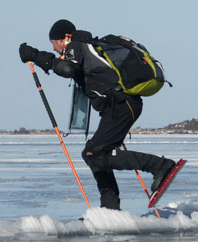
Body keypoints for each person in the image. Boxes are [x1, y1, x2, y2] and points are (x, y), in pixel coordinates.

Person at [19, 19, 177, 210]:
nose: (55, 49)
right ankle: (110, 209)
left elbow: (67, 69)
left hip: (121, 106)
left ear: (64, 38)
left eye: (54, 43)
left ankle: (160, 166)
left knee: (93, 153)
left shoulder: (76, 45)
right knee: (95, 154)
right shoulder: (86, 46)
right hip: (120, 106)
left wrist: (36, 56)